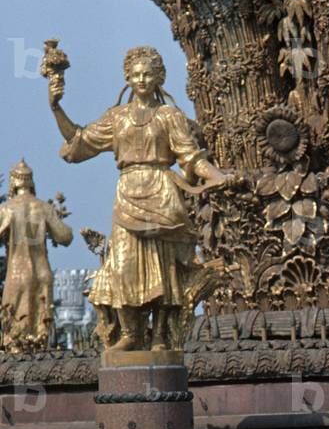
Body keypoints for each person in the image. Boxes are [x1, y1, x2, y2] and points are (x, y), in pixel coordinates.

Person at [49, 45, 231, 350]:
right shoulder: (117, 117)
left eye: (149, 74)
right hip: (128, 191)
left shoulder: (169, 115)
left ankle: (160, 335)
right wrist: (56, 107)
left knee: (163, 265)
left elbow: (190, 156)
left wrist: (216, 176)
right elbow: (79, 140)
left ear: (159, 77)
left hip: (162, 192)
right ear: (128, 78)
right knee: (122, 264)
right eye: (137, 74)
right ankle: (131, 333)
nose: (143, 79)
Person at [0, 158, 73, 352]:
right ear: (31, 182)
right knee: (41, 338)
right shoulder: (44, 208)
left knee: (15, 340)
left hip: (17, 275)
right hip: (42, 274)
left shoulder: (7, 209)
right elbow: (65, 236)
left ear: (14, 182)